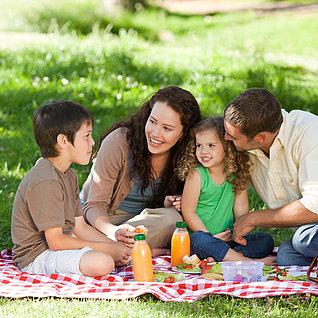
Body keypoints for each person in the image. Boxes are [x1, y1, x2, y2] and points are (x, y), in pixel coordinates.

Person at [11, 100, 131, 276]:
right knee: (103, 262)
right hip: (37, 256)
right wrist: (107, 249)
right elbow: (56, 242)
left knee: (113, 254)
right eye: (86, 136)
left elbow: (79, 227)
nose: (92, 142)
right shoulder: (46, 180)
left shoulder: (69, 175)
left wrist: (113, 246)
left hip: (59, 246)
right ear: (63, 140)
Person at [81, 86, 201, 255]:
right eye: (152, 122)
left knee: (173, 219)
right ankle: (134, 250)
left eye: (167, 128)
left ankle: (112, 250)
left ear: (183, 134)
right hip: (103, 220)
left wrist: (175, 202)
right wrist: (112, 232)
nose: (155, 133)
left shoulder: (190, 155)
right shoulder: (119, 142)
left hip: (143, 226)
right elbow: (93, 205)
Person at [224, 88, 318, 266]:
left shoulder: (310, 133)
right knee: (287, 256)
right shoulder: (249, 147)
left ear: (260, 137)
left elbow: (315, 205)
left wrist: (254, 218)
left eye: (232, 136)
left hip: (311, 227)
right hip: (312, 230)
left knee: (302, 240)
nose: (225, 137)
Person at [177, 117, 275, 264]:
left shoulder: (236, 174)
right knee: (197, 240)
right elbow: (188, 212)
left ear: (227, 147)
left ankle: (225, 256)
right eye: (199, 146)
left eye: (211, 145)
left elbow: (241, 209)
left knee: (265, 241)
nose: (203, 151)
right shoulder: (196, 175)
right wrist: (210, 237)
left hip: (228, 239)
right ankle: (246, 261)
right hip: (203, 239)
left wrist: (238, 234)